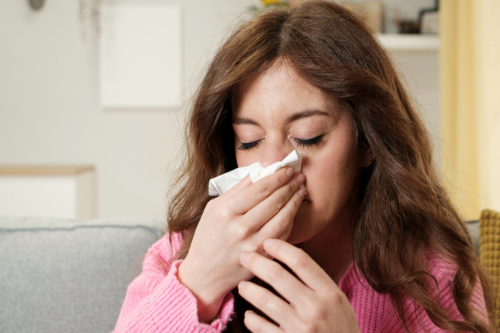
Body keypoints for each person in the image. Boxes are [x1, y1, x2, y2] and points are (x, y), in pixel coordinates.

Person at [112, 1, 496, 332]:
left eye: (307, 137)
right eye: (249, 140)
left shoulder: (432, 277)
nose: (274, 168)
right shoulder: (183, 252)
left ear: (367, 141)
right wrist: (197, 284)